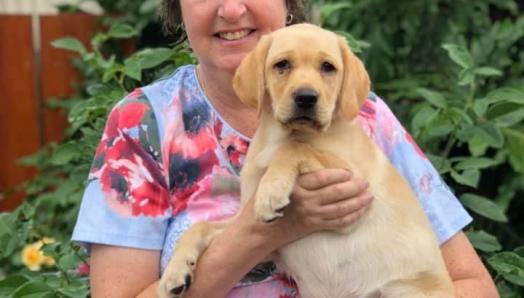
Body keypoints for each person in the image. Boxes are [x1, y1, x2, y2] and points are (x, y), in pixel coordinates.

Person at [72, 0, 499, 297]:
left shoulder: (361, 115)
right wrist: (264, 230)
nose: (232, 9)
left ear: (287, 4)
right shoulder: (143, 125)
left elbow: (470, 285)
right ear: (178, 10)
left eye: (326, 68)